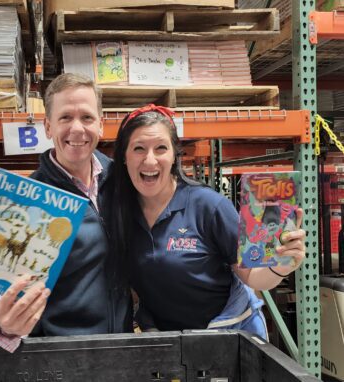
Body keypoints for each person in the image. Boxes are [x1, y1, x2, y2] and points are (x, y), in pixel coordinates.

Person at [111, 104, 306, 338]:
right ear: (124, 156)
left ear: (174, 156)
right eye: (139, 149)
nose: (150, 161)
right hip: (170, 343)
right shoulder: (120, 212)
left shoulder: (209, 206)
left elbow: (254, 277)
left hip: (230, 335)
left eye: (161, 148)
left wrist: (281, 264)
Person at [0, 73, 132, 352]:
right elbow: (3, 290)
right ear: (48, 126)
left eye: (87, 118)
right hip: (61, 353)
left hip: (119, 346)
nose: (77, 129)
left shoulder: (121, 180)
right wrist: (6, 325)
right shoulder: (27, 200)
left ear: (101, 125)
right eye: (65, 118)